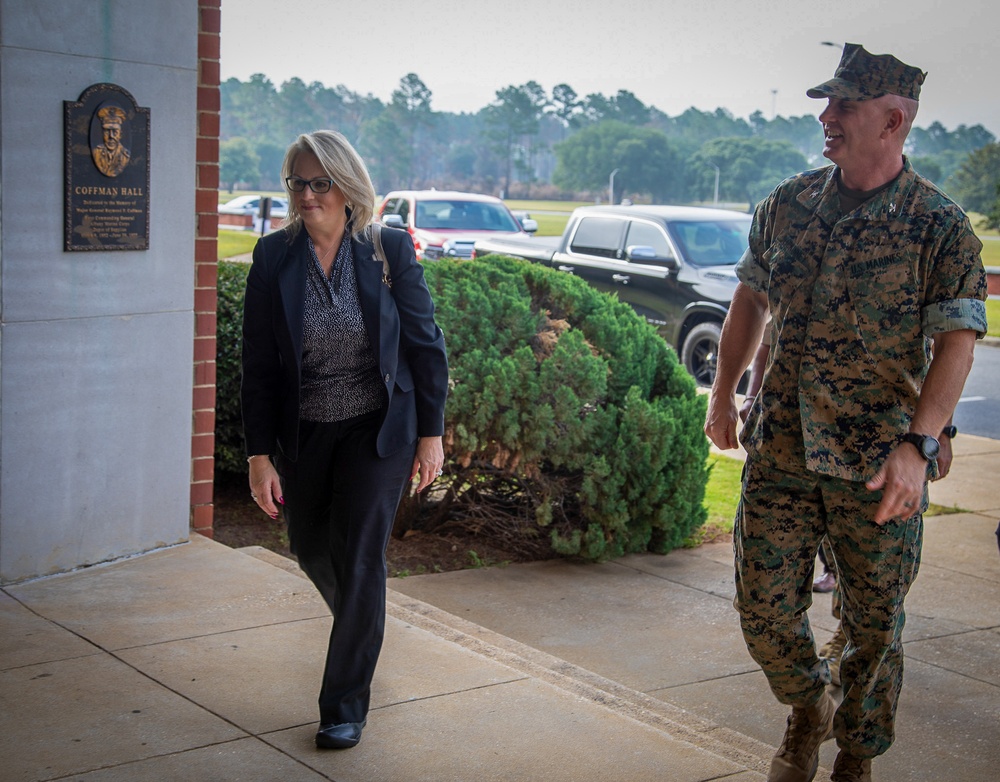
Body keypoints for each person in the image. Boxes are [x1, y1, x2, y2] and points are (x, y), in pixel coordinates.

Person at [705, 44, 987, 782]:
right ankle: (809, 706)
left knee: (872, 629)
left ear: (893, 119)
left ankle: (855, 756)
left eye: (844, 107)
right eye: (827, 104)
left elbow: (957, 342)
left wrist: (920, 446)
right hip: (783, 452)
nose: (825, 118)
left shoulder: (940, 227)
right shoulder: (788, 204)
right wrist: (723, 393)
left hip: (878, 464)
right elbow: (749, 300)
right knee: (764, 614)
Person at [241, 130, 449, 750]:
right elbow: (258, 364)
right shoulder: (273, 256)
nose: (307, 195)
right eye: (297, 183)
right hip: (306, 432)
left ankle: (343, 707)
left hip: (377, 429)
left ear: (346, 185)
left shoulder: (386, 250)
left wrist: (431, 435)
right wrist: (258, 455)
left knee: (359, 557)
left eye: (319, 183)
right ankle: (365, 621)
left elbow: (424, 344)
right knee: (309, 547)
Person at [91, 105, 131, 177]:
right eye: (107, 132)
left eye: (115, 132)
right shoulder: (96, 153)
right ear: (102, 134)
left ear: (120, 135)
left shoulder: (125, 156)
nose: (111, 136)